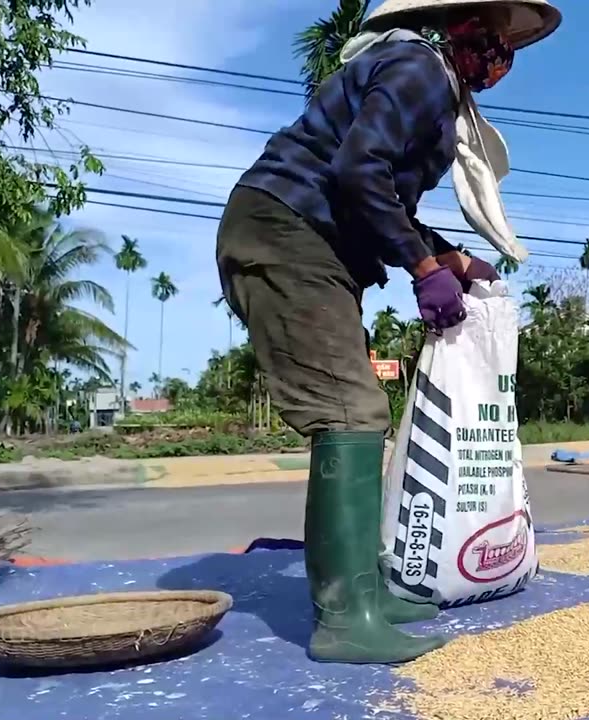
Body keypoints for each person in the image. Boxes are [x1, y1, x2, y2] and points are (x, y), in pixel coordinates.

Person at [214, 0, 562, 664]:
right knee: (352, 409)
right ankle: (347, 617)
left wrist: (447, 256)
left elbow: (384, 200)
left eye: (505, 47)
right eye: (484, 38)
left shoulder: (429, 82)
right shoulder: (419, 67)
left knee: (360, 409)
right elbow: (356, 170)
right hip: (287, 230)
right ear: (449, 29)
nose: (497, 56)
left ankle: (367, 587)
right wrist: (424, 265)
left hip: (310, 238)